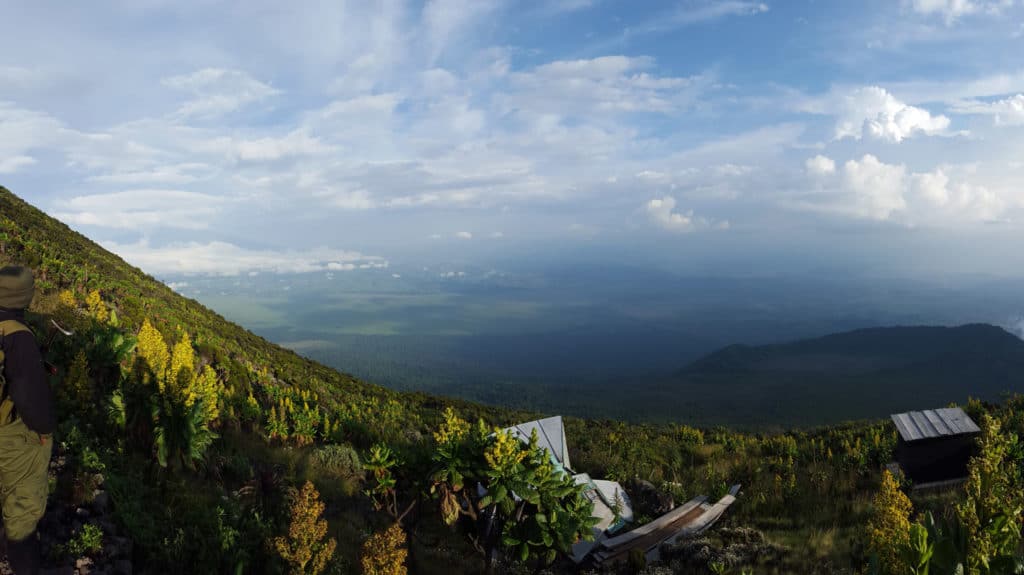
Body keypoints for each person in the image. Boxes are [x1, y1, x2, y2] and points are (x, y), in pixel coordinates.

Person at [0, 266, 56, 575]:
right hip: (9, 437)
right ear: (24, 296)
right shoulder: (18, 336)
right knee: (22, 516)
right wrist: (46, 430)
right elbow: (33, 407)